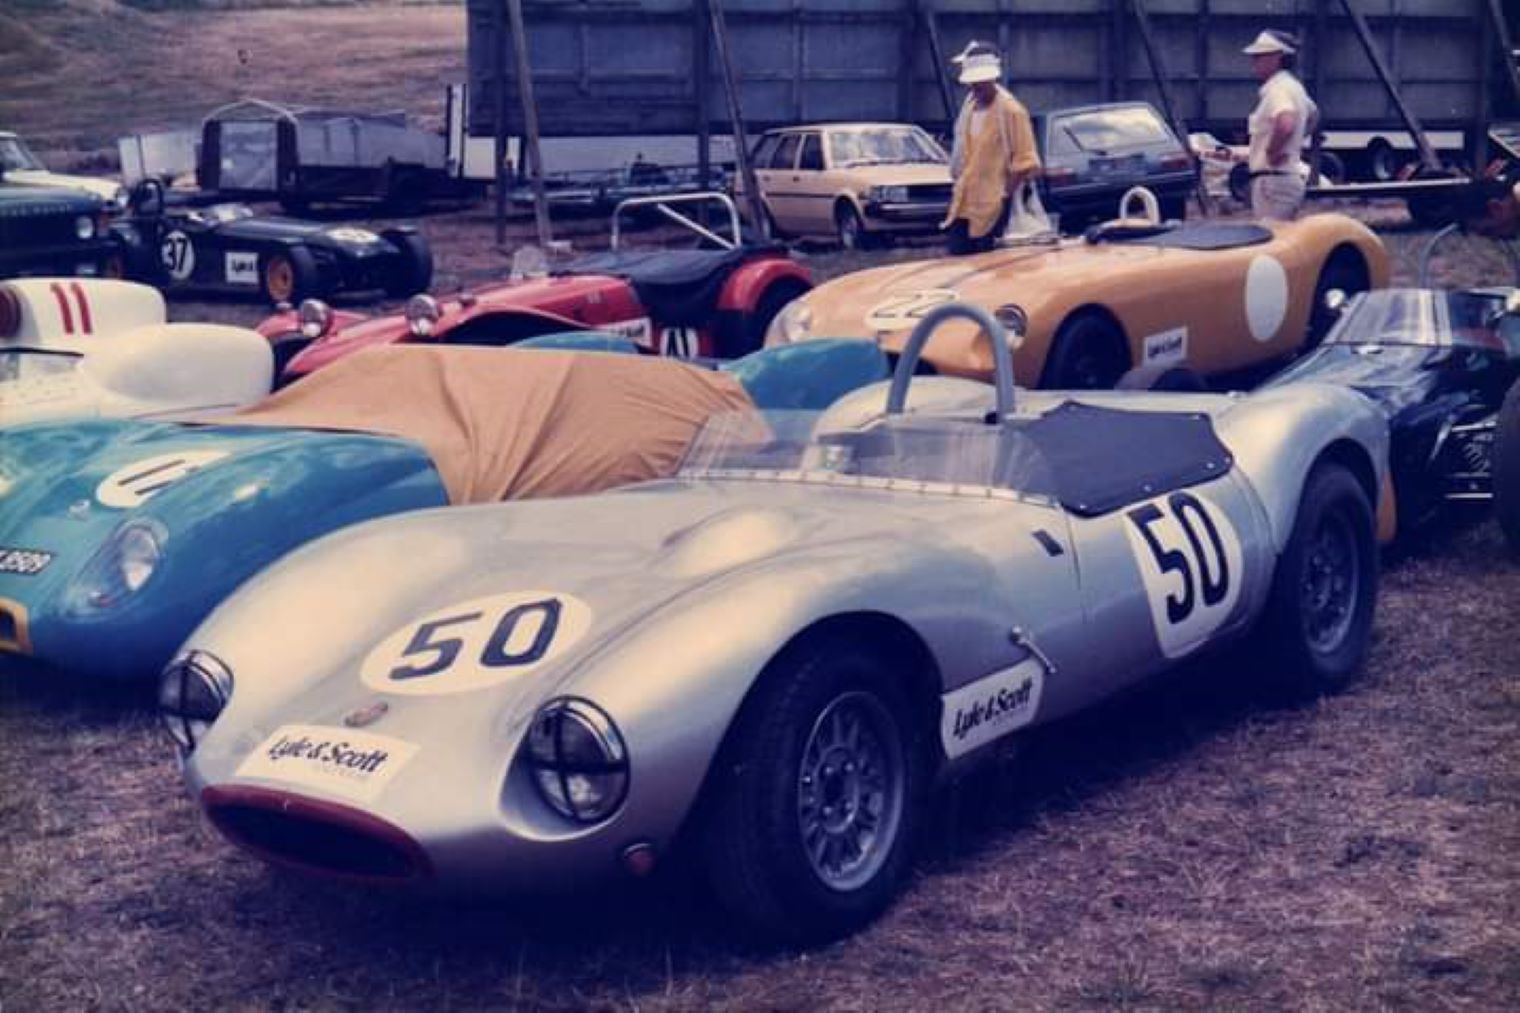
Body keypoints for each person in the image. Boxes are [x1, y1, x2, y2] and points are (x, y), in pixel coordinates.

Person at [941, 41, 1041, 255]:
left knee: (991, 262)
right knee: (958, 258)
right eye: (973, 83)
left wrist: (1004, 196)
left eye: (981, 83)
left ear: (992, 79)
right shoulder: (969, 109)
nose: (976, 87)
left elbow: (1025, 161)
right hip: (965, 202)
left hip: (995, 205)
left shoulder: (1011, 111)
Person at [1242, 29, 1318, 221]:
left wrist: (1273, 152)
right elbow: (1313, 115)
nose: (1254, 62)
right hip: (1284, 178)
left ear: (1277, 58)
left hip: (1273, 180)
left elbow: (1285, 123)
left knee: (1271, 235)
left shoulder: (1278, 88)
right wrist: (1295, 143)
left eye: (1259, 57)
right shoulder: (1293, 86)